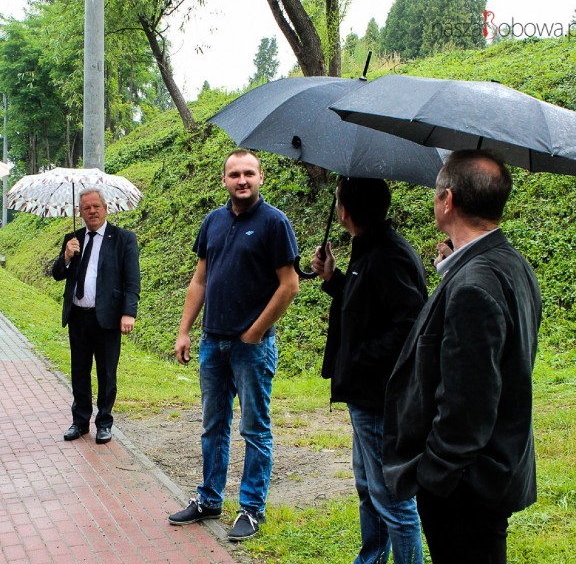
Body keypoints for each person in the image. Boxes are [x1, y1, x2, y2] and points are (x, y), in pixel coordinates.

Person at [383, 150, 542, 563]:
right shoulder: (509, 263)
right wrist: (451, 270)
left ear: (448, 200)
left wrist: (434, 474)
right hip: (492, 471)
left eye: (436, 195)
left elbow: (467, 403)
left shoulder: (474, 283)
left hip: (466, 486)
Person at [169, 149, 299, 541]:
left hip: (251, 348)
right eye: (234, 174)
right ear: (224, 180)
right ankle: (209, 499)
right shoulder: (213, 221)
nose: (241, 180)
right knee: (214, 426)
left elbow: (289, 284)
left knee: (255, 429)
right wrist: (184, 330)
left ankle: (251, 509)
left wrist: (256, 332)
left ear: (261, 178)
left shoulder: (275, 223)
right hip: (212, 343)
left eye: (248, 174)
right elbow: (200, 280)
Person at [311, 176, 426, 564]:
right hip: (363, 394)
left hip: (379, 396)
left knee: (392, 498)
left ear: (344, 211)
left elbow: (410, 326)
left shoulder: (389, 254)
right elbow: (367, 306)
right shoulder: (368, 248)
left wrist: (359, 357)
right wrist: (333, 279)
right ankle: (373, 558)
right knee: (369, 488)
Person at [52, 188, 140, 445]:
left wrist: (128, 312)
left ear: (105, 208)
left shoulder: (123, 239)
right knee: (79, 371)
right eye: (86, 207)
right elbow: (58, 274)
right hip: (78, 317)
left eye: (96, 206)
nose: (91, 211)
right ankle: (79, 421)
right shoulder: (73, 238)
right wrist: (67, 256)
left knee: (106, 372)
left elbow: (132, 280)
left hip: (108, 318)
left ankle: (104, 422)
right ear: (79, 212)